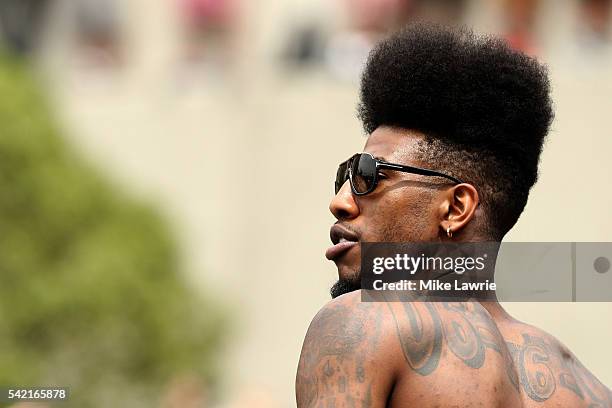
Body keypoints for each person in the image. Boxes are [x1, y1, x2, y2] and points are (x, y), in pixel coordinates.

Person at [295, 23, 612, 407]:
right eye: (345, 176)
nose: (341, 201)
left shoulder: (364, 324)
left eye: (368, 175)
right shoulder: (586, 389)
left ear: (457, 208)